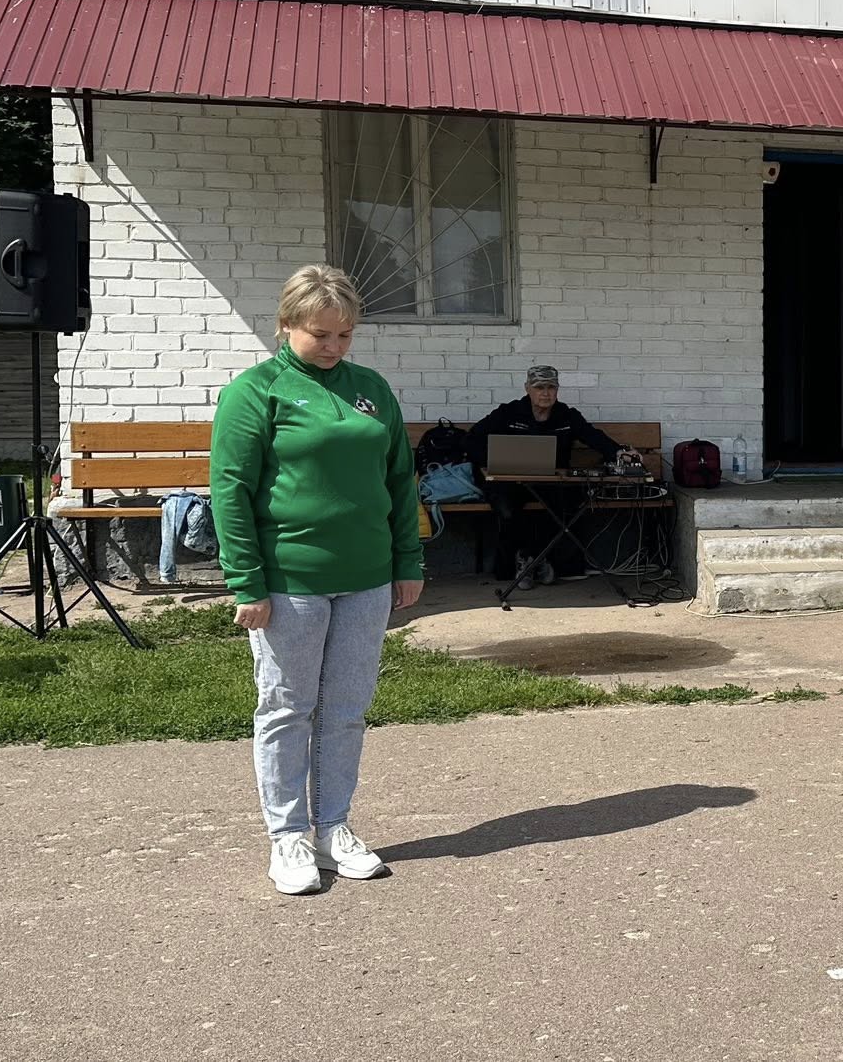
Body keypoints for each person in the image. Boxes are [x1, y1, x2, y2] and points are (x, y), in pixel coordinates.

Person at [210, 264, 425, 894]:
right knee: (286, 708)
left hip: (367, 578)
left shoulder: (371, 389)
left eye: (345, 335)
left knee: (347, 710)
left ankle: (333, 828)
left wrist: (407, 561)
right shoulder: (255, 391)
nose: (333, 347)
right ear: (286, 325)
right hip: (290, 581)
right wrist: (246, 582)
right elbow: (230, 490)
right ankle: (288, 838)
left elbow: (399, 479)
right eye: (320, 334)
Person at [466, 366, 640, 584]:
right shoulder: (509, 412)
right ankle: (523, 561)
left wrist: (618, 452)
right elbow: (472, 439)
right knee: (507, 507)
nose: (545, 393)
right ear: (527, 388)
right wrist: (492, 461)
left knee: (566, 504)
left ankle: (541, 561)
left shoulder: (567, 415)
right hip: (510, 482)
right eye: (539, 387)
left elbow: (593, 436)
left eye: (551, 387)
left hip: (551, 482)